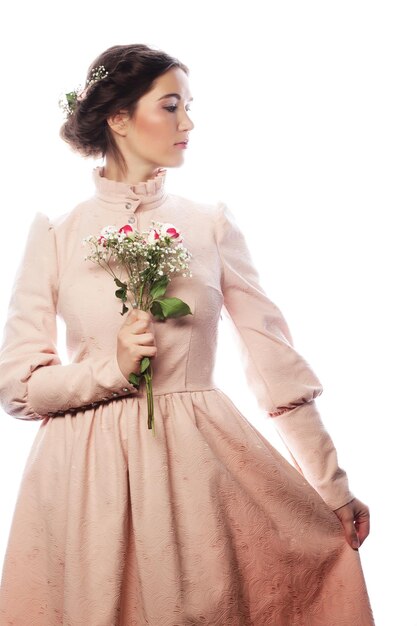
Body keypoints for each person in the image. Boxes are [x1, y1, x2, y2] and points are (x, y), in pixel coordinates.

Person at [0, 43, 375, 625]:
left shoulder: (210, 225)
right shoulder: (55, 234)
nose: (188, 123)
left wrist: (332, 485)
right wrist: (111, 371)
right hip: (83, 485)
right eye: (171, 106)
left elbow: (275, 368)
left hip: (199, 478)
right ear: (119, 119)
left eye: (189, 106)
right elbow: (19, 388)